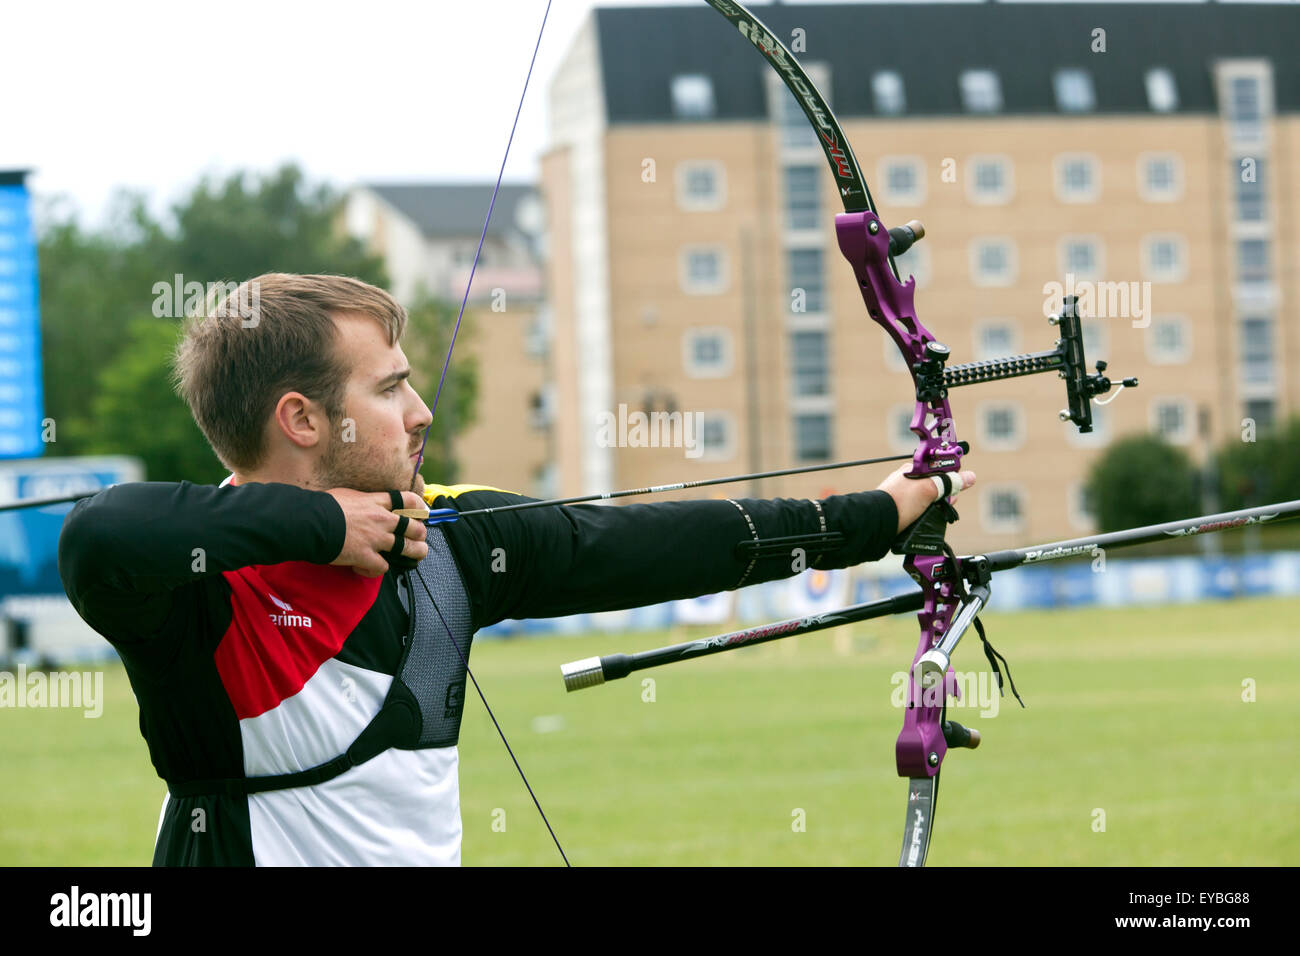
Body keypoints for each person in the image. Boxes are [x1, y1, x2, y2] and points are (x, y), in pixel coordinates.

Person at [58, 273, 974, 865]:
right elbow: (100, 533)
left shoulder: (450, 541)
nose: (420, 412)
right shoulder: (193, 592)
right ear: (303, 421)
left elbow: (663, 544)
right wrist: (318, 525)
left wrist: (875, 517)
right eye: (387, 389)